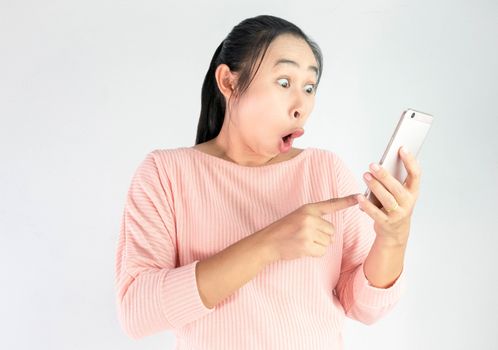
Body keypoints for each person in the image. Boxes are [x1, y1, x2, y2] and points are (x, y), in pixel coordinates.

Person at [115, 14, 421, 349]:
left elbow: (362, 306)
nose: (300, 106)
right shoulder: (166, 173)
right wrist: (268, 244)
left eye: (309, 87)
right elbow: (137, 312)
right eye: (284, 83)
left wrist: (394, 238)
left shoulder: (325, 170)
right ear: (229, 83)